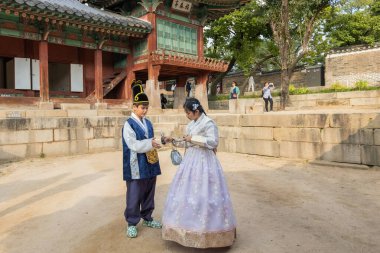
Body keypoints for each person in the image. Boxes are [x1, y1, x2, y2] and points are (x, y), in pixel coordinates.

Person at [161, 98, 236, 248]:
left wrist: (193, 138)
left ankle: (210, 233)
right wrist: (172, 140)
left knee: (206, 194)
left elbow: (213, 142)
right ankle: (186, 230)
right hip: (191, 160)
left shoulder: (208, 123)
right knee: (187, 193)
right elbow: (186, 142)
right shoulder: (191, 124)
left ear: (196, 111)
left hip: (205, 162)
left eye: (188, 112)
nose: (187, 115)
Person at [122, 80, 163, 238]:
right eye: (142, 107)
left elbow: (150, 140)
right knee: (134, 193)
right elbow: (133, 144)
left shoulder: (148, 122)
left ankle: (147, 217)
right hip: (135, 164)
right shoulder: (129, 124)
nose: (145, 110)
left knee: (148, 191)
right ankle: (132, 222)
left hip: (150, 162)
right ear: (134, 107)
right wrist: (150, 143)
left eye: (146, 107)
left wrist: (160, 141)